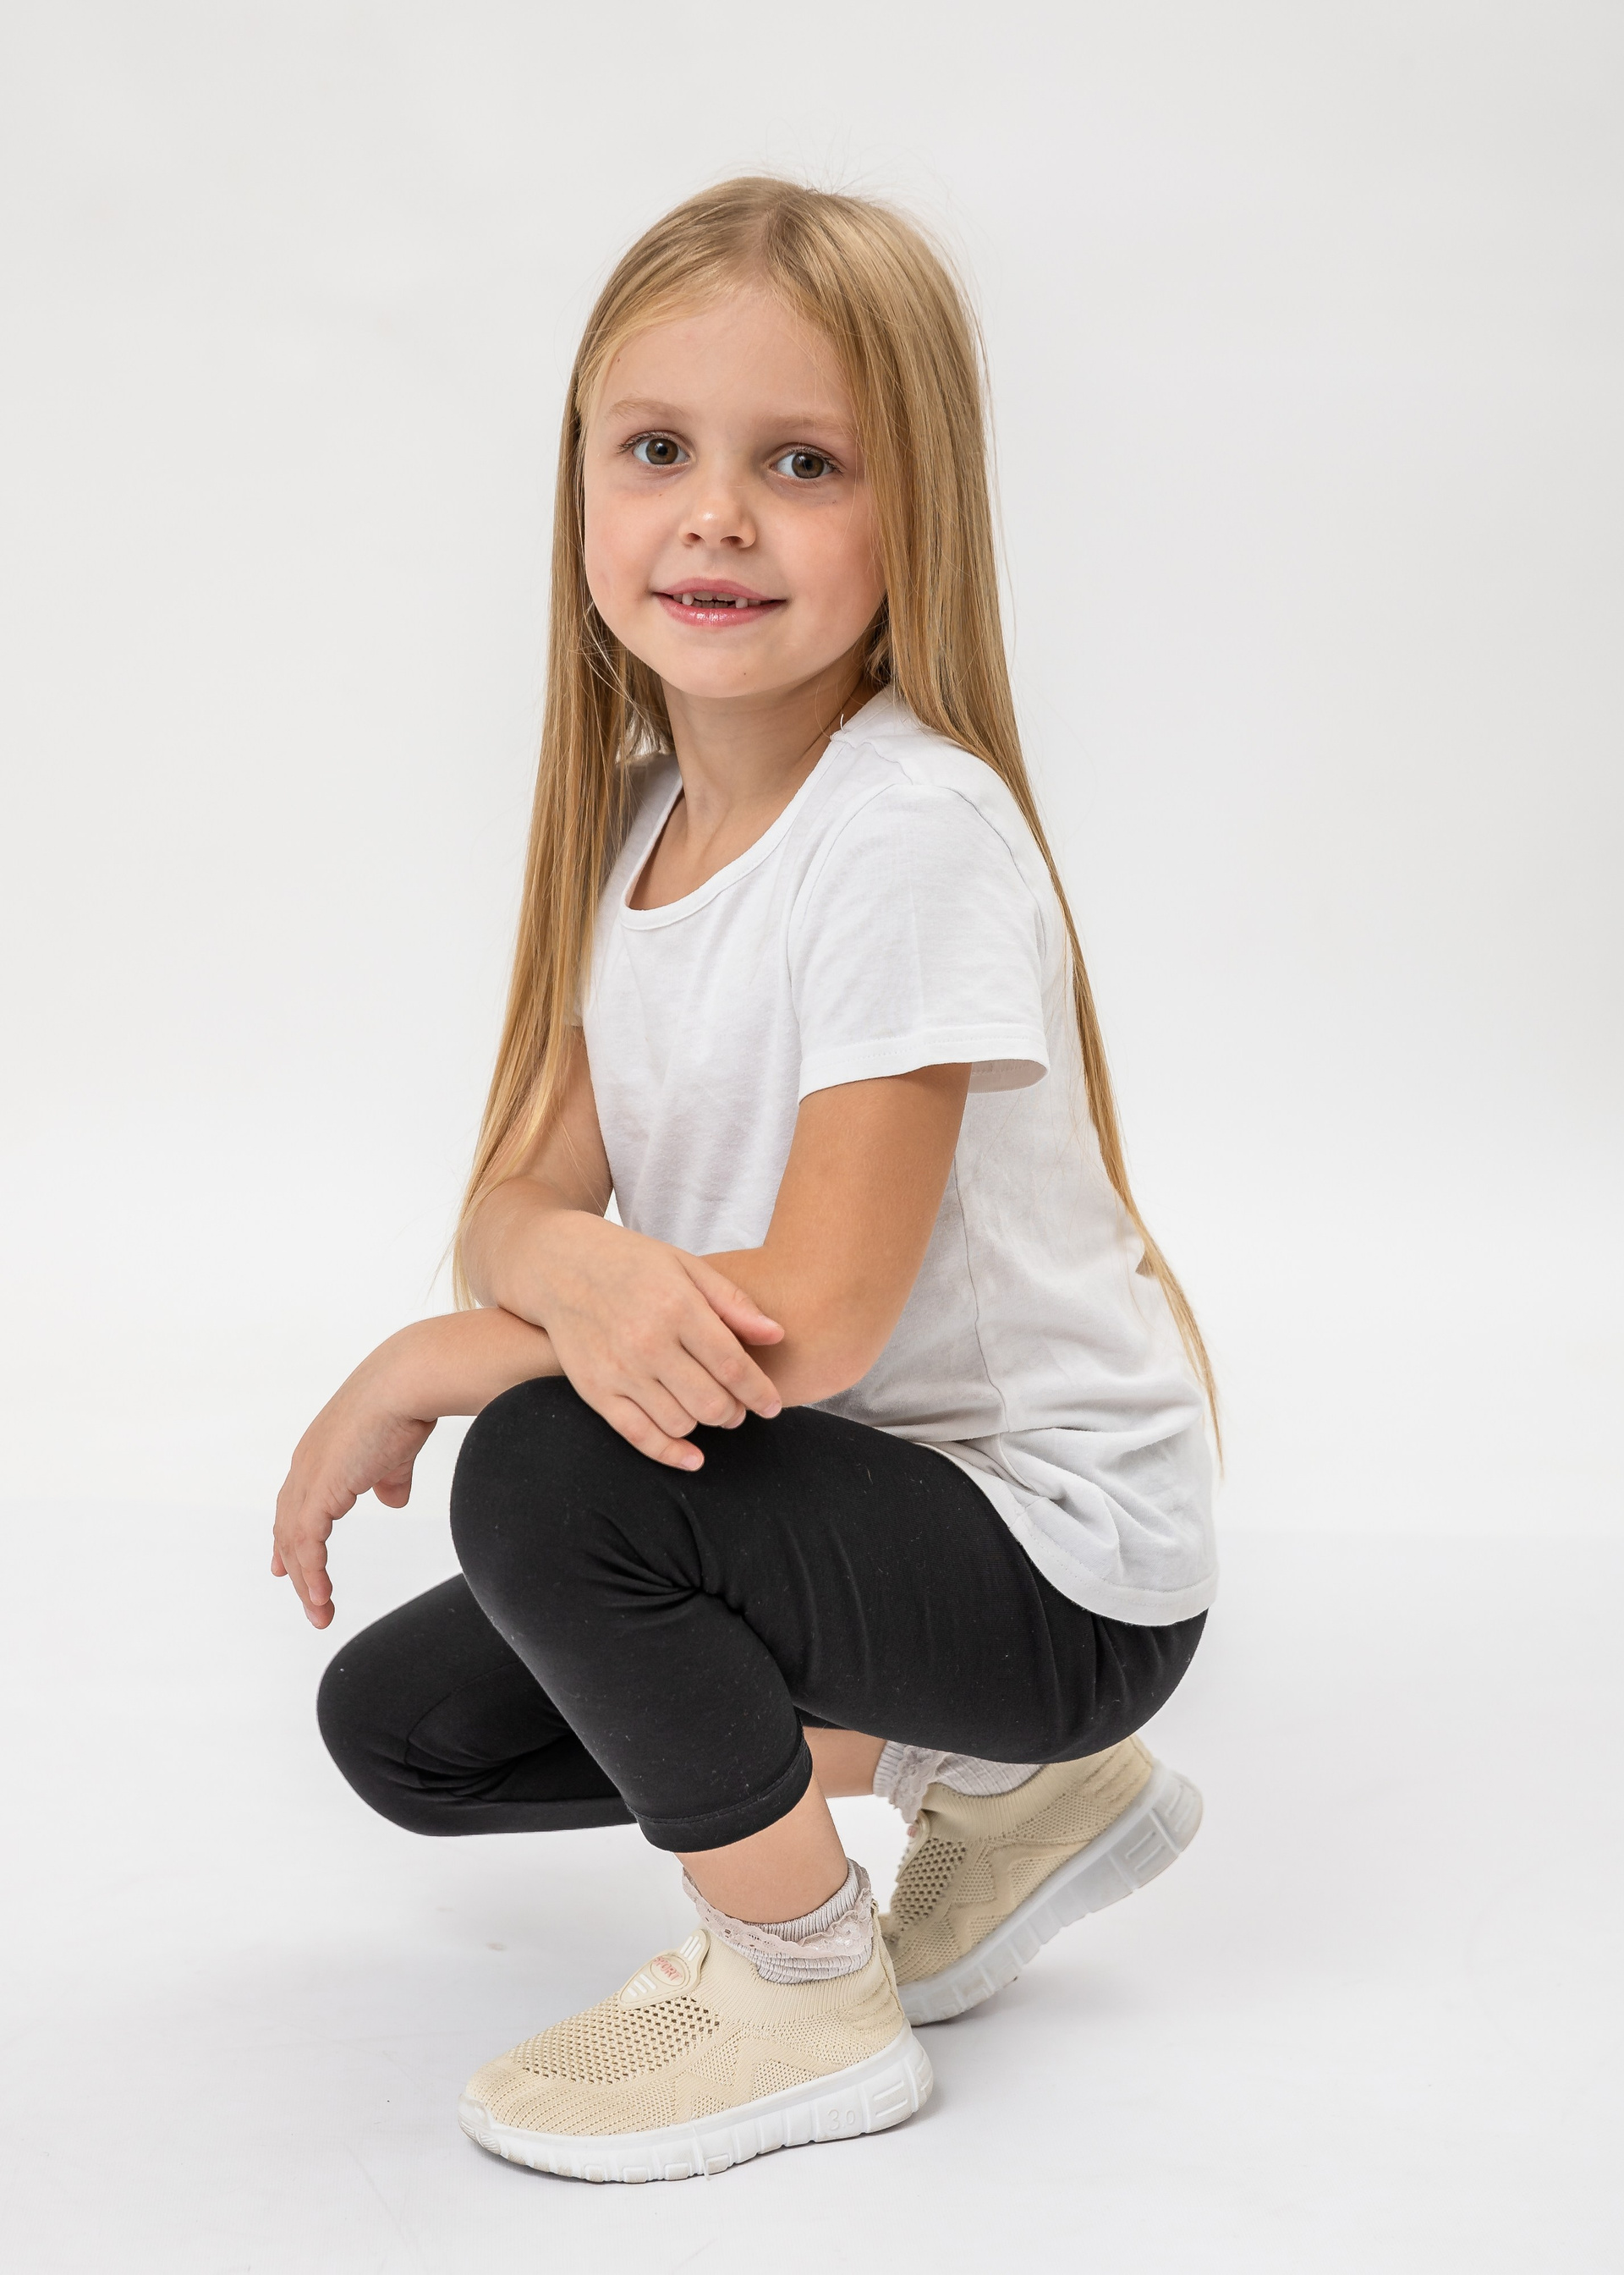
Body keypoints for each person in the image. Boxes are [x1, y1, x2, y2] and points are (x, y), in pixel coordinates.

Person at [272, 177, 1218, 2185]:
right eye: (657, 452)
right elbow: (516, 1196)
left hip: (1056, 1566)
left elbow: (816, 1325)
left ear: (913, 513)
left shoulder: (907, 837)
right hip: (862, 1512)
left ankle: (799, 1985)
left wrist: (441, 1357)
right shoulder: (632, 829)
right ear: (581, 487)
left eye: (801, 463)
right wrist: (559, 1274)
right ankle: (1013, 1787)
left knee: (547, 1475)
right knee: (411, 1727)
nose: (714, 516)